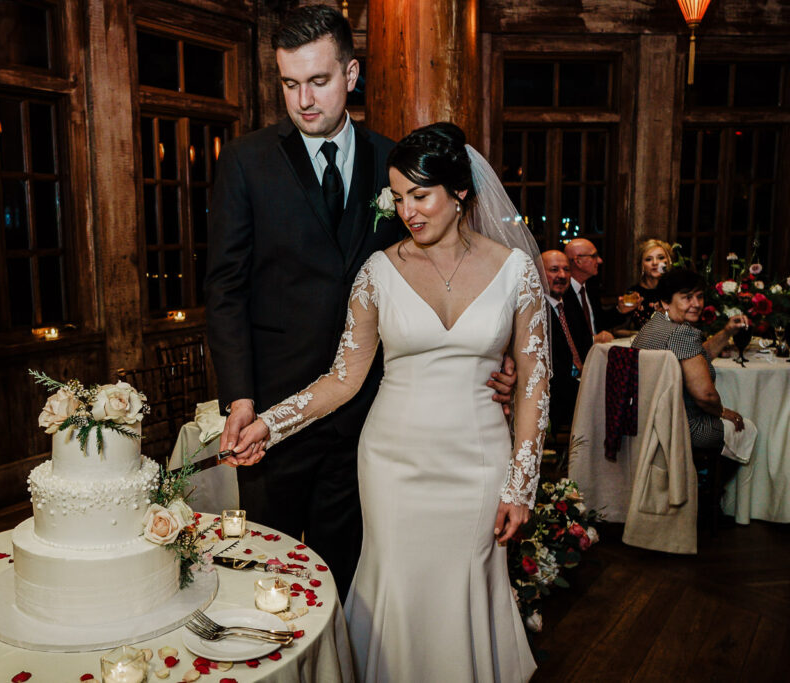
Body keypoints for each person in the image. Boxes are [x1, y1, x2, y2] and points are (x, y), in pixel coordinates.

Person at [204, 5, 516, 600]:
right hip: (278, 408)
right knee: (269, 574)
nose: (304, 100)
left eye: (319, 81)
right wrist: (242, 398)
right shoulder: (247, 161)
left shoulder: (395, 164)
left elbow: (445, 273)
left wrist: (492, 360)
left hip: (375, 414)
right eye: (290, 84)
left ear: (351, 74)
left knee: (349, 574)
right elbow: (224, 288)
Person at [230, 123, 549, 682]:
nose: (408, 211)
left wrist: (520, 483)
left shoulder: (516, 270)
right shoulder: (378, 272)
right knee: (397, 585)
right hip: (392, 463)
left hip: (477, 461)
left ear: (460, 193)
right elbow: (341, 380)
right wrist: (269, 426)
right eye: (398, 197)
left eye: (421, 195)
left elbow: (533, 383)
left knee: (466, 583)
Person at [632, 268, 749, 450]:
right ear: (666, 302)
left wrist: (727, 332)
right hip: (684, 427)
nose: (696, 304)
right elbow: (706, 396)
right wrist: (723, 412)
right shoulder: (681, 333)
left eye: (700, 296)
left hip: (648, 424)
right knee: (748, 429)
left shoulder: (654, 325)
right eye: (687, 297)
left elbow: (696, 357)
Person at [542, 250, 592, 433]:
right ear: (539, 272)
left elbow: (586, 344)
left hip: (580, 386)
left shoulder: (569, 303)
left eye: (566, 270)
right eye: (554, 270)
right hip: (555, 397)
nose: (562, 276)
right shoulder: (534, 311)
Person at [565, 237, 640, 343]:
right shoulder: (562, 292)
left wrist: (620, 310)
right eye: (594, 256)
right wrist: (592, 340)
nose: (600, 260)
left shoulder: (591, 287)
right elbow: (562, 337)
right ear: (578, 261)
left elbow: (599, 322)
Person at [626, 238, 675, 329]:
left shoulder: (676, 291)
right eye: (648, 259)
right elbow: (619, 329)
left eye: (661, 258)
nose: (655, 263)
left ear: (669, 261)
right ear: (642, 265)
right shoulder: (633, 293)